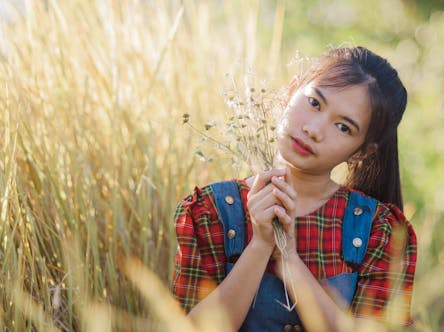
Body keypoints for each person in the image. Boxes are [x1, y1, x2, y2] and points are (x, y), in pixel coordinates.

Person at [170, 46, 417, 331]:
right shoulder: (211, 212)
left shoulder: (379, 230)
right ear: (291, 91)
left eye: (343, 127)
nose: (314, 129)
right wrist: (261, 244)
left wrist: (288, 259)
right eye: (314, 103)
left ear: (362, 151)